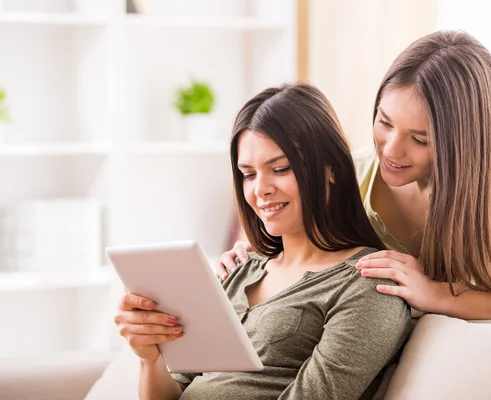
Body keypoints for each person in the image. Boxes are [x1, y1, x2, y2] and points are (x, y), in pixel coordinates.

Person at [218, 30, 491, 321]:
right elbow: (310, 247)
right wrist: (256, 258)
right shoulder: (360, 174)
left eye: (420, 138)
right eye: (385, 122)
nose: (391, 151)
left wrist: (437, 294)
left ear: (460, 142)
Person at [114, 82, 412, 400]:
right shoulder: (239, 270)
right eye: (248, 174)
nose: (260, 190)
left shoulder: (369, 284)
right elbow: (174, 391)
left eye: (280, 168)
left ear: (331, 168)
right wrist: (150, 358)